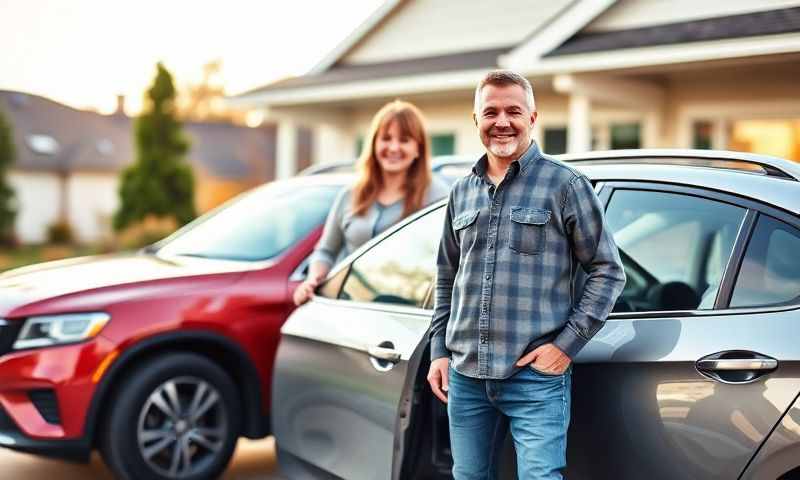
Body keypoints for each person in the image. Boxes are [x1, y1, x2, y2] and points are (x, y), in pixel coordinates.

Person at [427, 70, 626, 479]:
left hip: (534, 378)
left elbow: (608, 271)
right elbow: (447, 275)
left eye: (513, 111)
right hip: (466, 376)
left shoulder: (566, 185)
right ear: (476, 121)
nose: (502, 122)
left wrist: (566, 345)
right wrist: (439, 351)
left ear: (533, 118)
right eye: (491, 112)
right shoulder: (461, 191)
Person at [293, 100, 450, 306]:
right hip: (349, 305)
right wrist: (313, 279)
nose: (393, 147)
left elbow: (446, 260)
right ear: (374, 143)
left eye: (404, 140)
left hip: (404, 309)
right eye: (386, 139)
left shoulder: (438, 196)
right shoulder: (351, 194)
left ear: (418, 148)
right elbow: (326, 251)